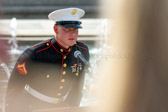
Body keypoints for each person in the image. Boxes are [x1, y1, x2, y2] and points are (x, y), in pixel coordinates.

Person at [5, 7, 90, 112]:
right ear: (55, 29)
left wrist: (72, 108)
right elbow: (14, 91)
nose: (72, 34)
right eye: (67, 29)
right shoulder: (35, 54)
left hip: (63, 107)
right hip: (33, 107)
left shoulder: (82, 51)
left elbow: (77, 87)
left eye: (75, 29)